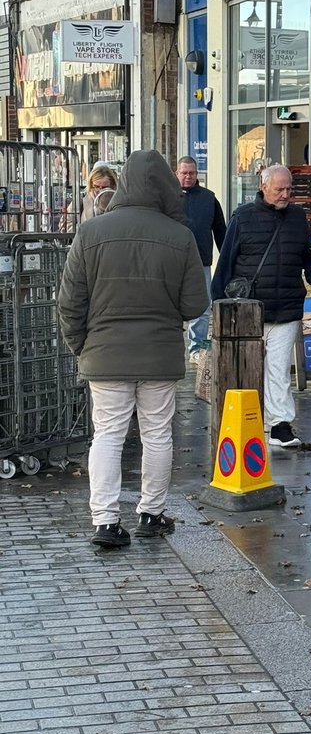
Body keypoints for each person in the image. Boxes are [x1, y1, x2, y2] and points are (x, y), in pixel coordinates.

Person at [58, 149, 210, 550]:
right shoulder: (179, 236)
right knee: (157, 434)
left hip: (104, 353)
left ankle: (105, 521)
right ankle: (151, 513)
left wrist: (82, 347)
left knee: (107, 435)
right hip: (159, 354)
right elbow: (196, 304)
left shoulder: (91, 233)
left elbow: (70, 301)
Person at [211, 164, 311, 449]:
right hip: (250, 309)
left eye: (289, 189)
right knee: (246, 367)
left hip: (286, 306)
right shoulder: (243, 217)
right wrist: (216, 305)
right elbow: (226, 261)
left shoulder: (298, 217)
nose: (285, 194)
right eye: (279, 189)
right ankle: (246, 420)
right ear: (263, 187)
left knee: (278, 368)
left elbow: (307, 254)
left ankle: (279, 425)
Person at [176, 155, 227, 362]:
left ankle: (196, 348)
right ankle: (172, 348)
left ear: (197, 174)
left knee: (203, 306)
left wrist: (226, 259)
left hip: (202, 260)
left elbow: (220, 231)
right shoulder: (167, 198)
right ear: (176, 173)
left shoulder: (209, 198)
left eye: (192, 173)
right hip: (172, 261)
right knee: (170, 305)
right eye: (184, 173)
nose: (188, 177)